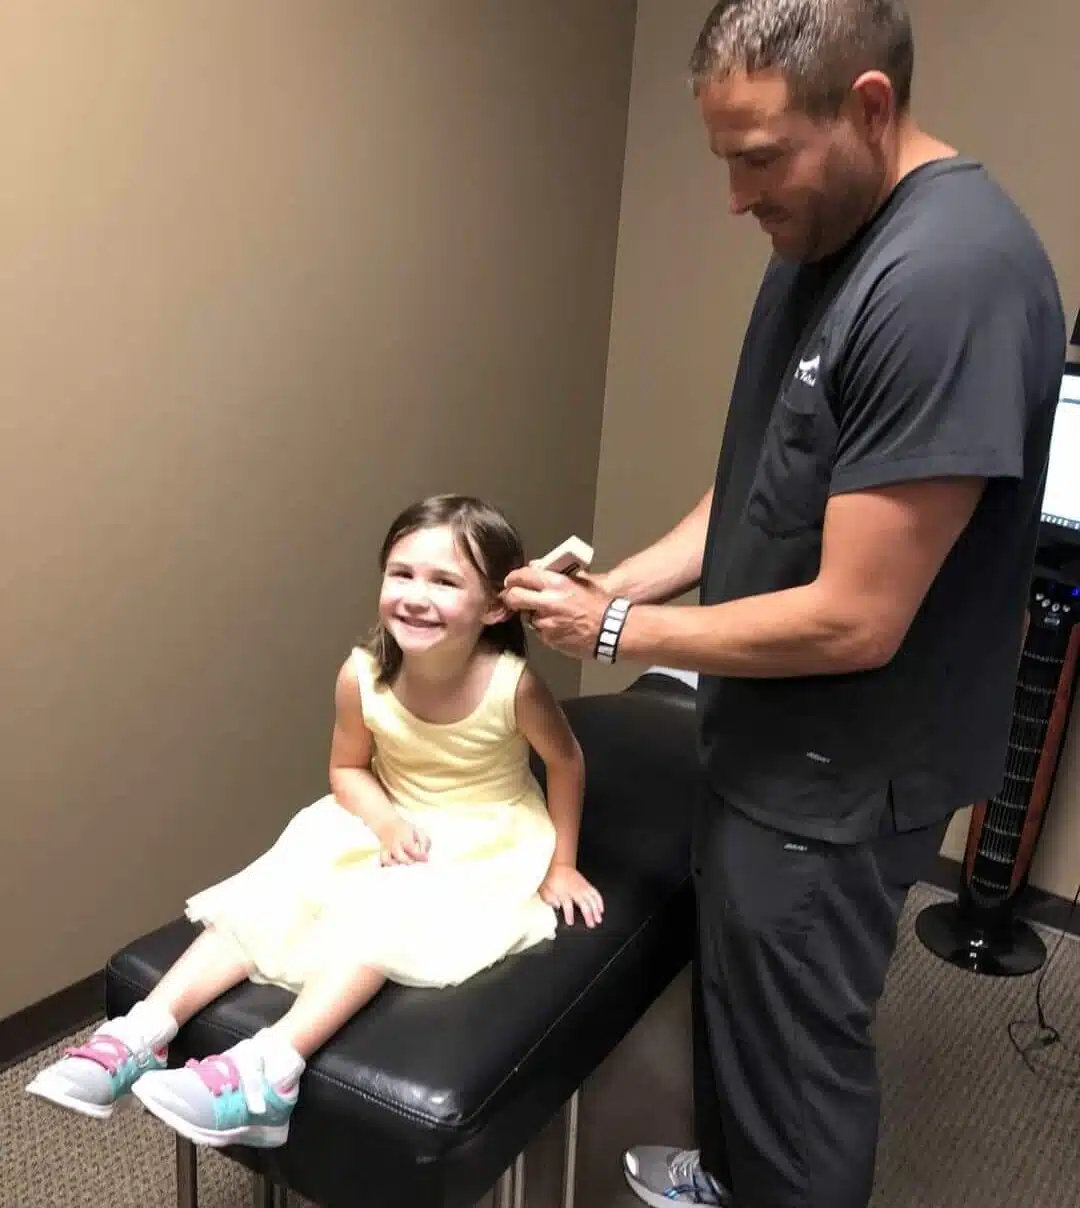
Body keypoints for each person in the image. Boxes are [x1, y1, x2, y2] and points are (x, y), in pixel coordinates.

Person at [501, 2, 1067, 1206]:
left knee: (799, 1061)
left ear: (868, 106)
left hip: (842, 767)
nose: (737, 196)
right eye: (725, 160)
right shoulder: (821, 234)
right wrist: (626, 583)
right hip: (771, 735)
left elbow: (857, 615)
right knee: (751, 1009)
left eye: (759, 157)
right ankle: (727, 1168)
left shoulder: (943, 282)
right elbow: (770, 473)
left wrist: (616, 634)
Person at [27, 493, 603, 1149]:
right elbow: (348, 771)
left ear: (497, 605)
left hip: (484, 830)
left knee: (390, 907)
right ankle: (143, 1031)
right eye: (402, 573)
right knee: (275, 887)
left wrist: (562, 864)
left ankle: (271, 1073)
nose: (416, 595)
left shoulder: (511, 685)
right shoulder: (362, 676)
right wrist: (385, 823)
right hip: (389, 814)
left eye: (445, 581)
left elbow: (566, 762)